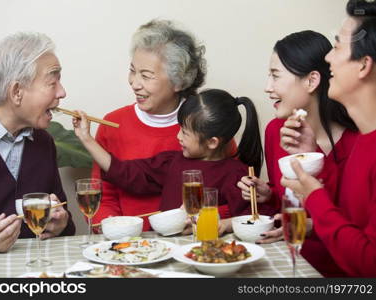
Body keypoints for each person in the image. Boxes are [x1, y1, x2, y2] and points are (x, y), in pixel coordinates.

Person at [237, 30, 358, 276]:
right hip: (286, 261)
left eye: (275, 76)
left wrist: (314, 155)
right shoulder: (276, 131)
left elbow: (348, 225)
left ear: (312, 81)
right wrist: (269, 194)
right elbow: (291, 204)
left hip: (337, 272)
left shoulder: (358, 142)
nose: (267, 87)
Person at [0, 32, 76, 277]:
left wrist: (61, 223)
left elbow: (65, 225)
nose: (62, 92)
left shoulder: (43, 141)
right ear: (16, 92)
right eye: (52, 82)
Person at [74, 89, 275, 227]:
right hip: (167, 249)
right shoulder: (173, 162)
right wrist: (86, 138)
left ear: (212, 142)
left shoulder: (236, 175)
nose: (178, 136)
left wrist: (210, 217)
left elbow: (251, 219)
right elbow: (126, 172)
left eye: (185, 133)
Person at [281, 0, 376, 277]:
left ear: (363, 65)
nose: (327, 59)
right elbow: (351, 224)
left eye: (336, 47)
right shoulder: (364, 141)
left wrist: (314, 197)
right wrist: (314, 158)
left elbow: (368, 264)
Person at [90, 19, 210, 231]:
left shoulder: (207, 125)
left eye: (146, 76)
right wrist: (114, 230)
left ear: (179, 81)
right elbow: (102, 197)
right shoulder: (111, 123)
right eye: (133, 71)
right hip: (127, 245)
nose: (135, 83)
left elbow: (229, 192)